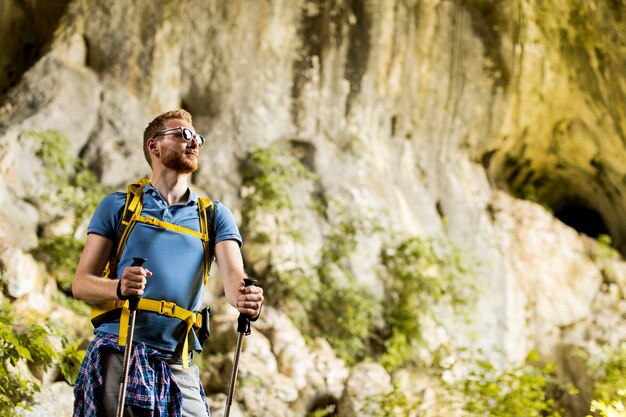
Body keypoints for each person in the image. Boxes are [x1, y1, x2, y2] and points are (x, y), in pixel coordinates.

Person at [71, 109, 264, 417]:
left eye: (197, 137)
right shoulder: (118, 207)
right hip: (119, 349)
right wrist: (118, 287)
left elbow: (234, 280)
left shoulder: (213, 216)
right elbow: (81, 284)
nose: (193, 142)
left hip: (179, 361)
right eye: (182, 134)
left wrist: (246, 297)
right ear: (154, 146)